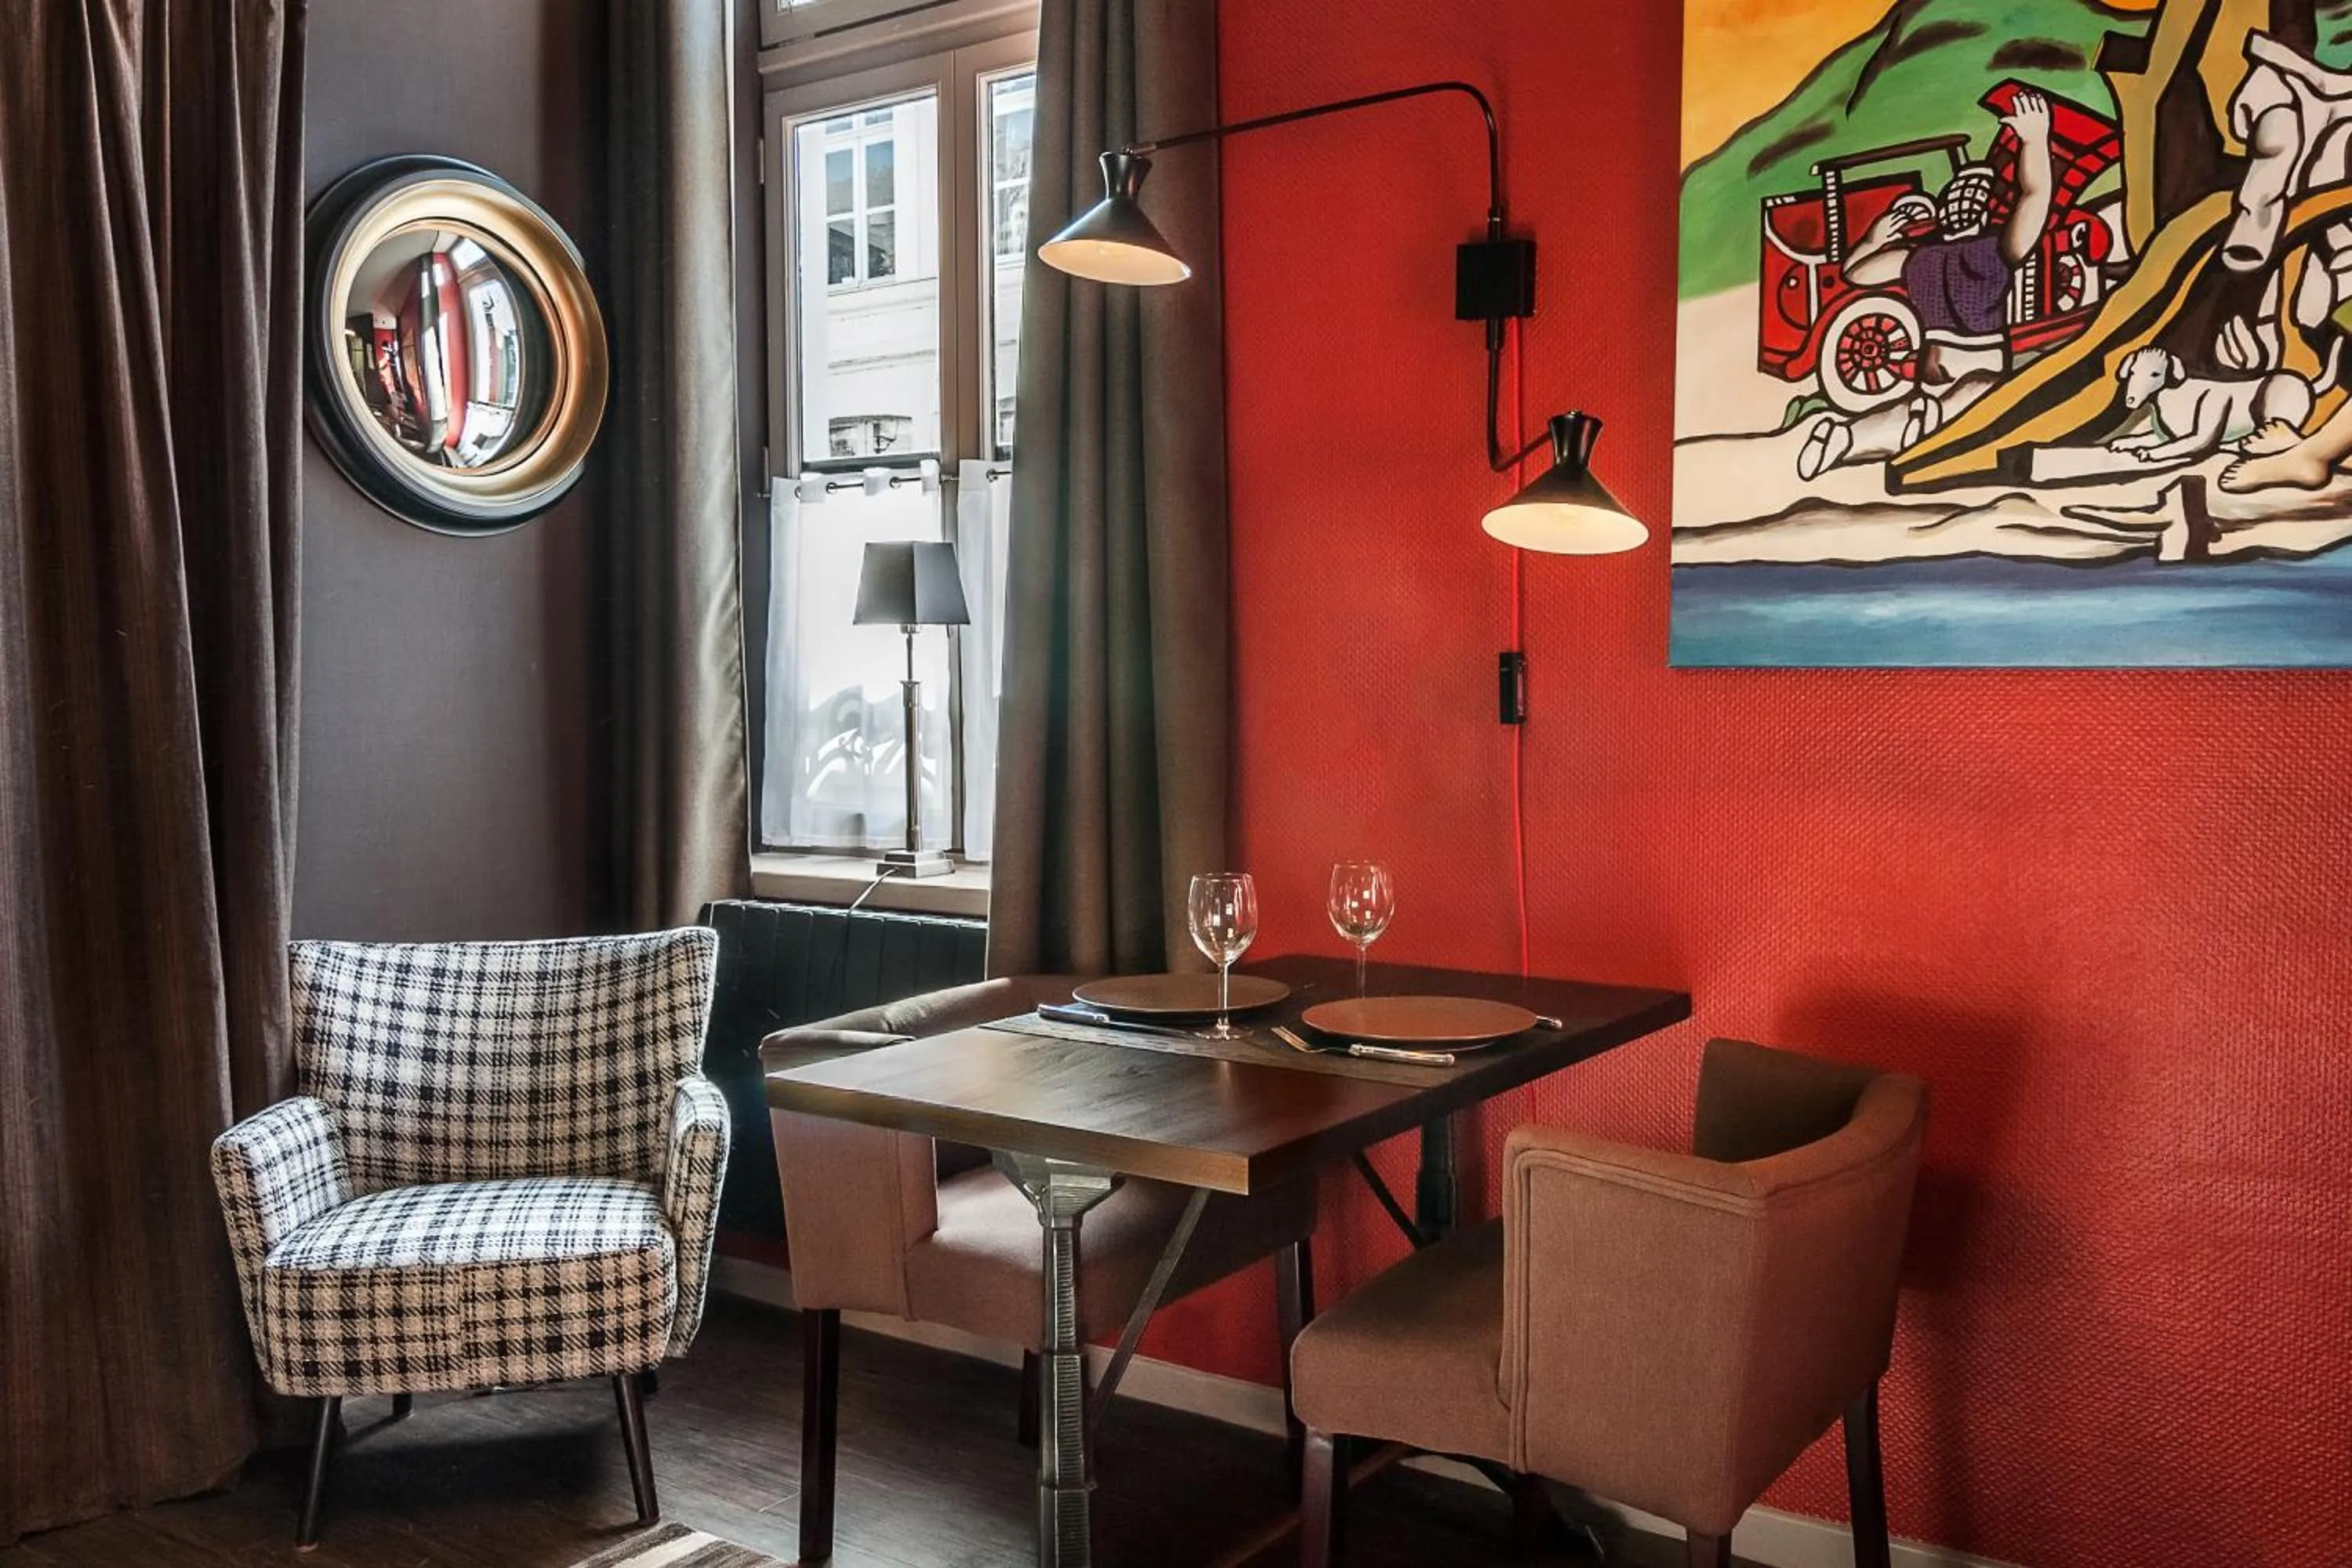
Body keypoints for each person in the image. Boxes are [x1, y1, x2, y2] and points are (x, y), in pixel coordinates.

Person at [1798, 90, 2056, 481]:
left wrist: (1873, 238)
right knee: (1985, 402)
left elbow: (1856, 273)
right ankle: (1926, 420)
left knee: (1921, 406)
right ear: (1982, 208)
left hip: (1931, 365)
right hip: (1978, 362)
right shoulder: (1996, 249)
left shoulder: (1918, 259)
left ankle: (1847, 437)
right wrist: (2035, 141)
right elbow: (2035, 197)